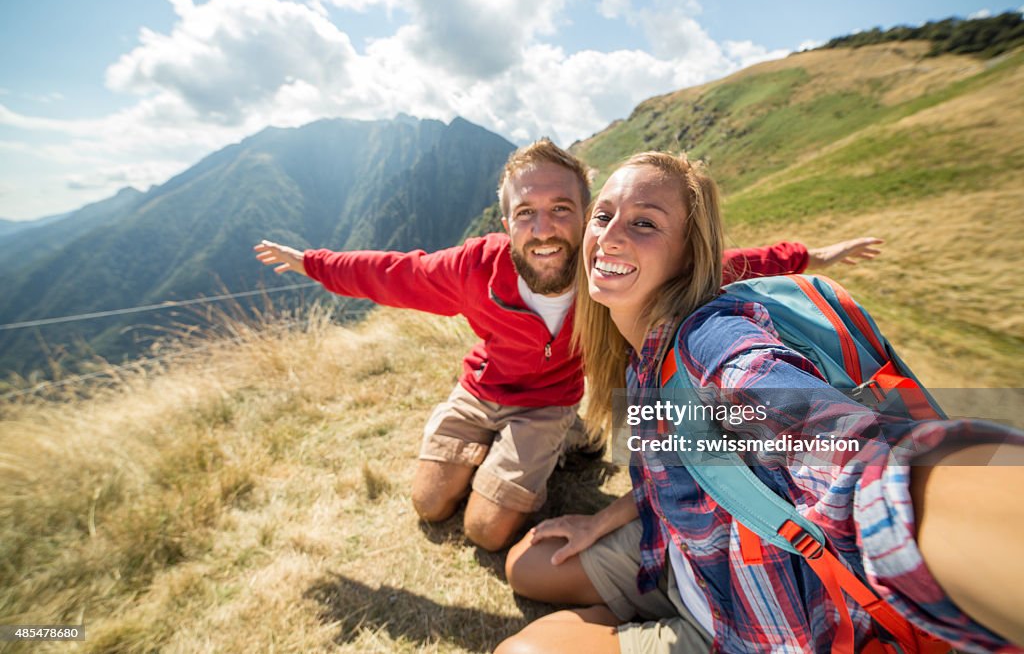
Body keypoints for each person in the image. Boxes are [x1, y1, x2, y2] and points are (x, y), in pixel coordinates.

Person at [499, 152, 1024, 653]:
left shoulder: (714, 345)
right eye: (604, 215)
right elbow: (669, 471)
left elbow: (844, 450)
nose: (608, 237)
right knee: (525, 564)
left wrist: (986, 532)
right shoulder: (640, 354)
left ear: (688, 254)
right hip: (682, 555)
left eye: (644, 224)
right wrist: (598, 523)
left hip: (750, 622)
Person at [254, 139, 884, 552]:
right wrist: (310, 262)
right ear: (505, 223)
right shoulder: (474, 268)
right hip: (479, 391)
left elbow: (721, 262)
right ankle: (496, 448)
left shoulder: (612, 271)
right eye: (525, 212)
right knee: (429, 503)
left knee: (487, 532)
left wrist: (813, 255)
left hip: (547, 406)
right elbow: (390, 272)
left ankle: (554, 447)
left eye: (562, 209)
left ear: (585, 215)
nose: (544, 227)